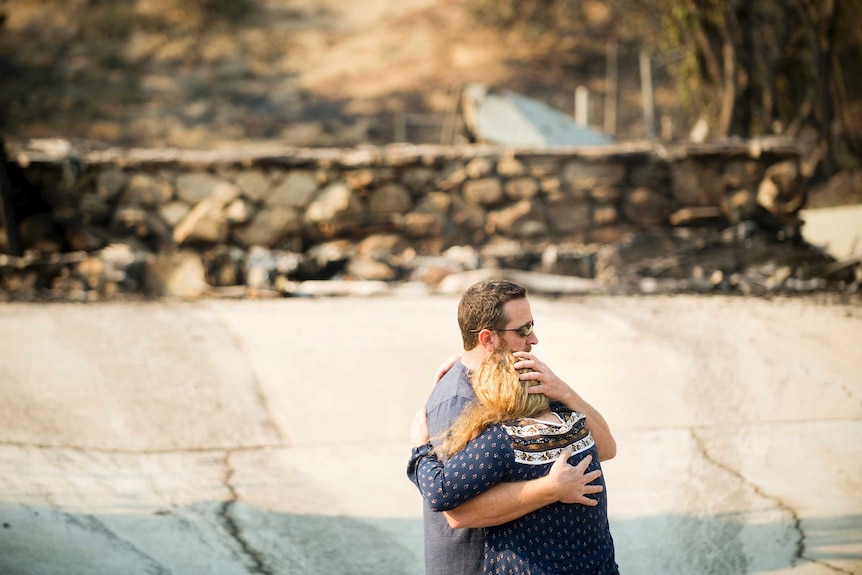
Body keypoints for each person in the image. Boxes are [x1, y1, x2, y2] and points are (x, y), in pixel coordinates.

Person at [412, 279, 616, 575]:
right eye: (523, 330)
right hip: (475, 566)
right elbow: (456, 512)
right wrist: (552, 488)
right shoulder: (457, 403)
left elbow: (606, 448)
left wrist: (564, 391)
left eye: (531, 325)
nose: (534, 339)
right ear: (487, 339)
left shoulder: (520, 380)